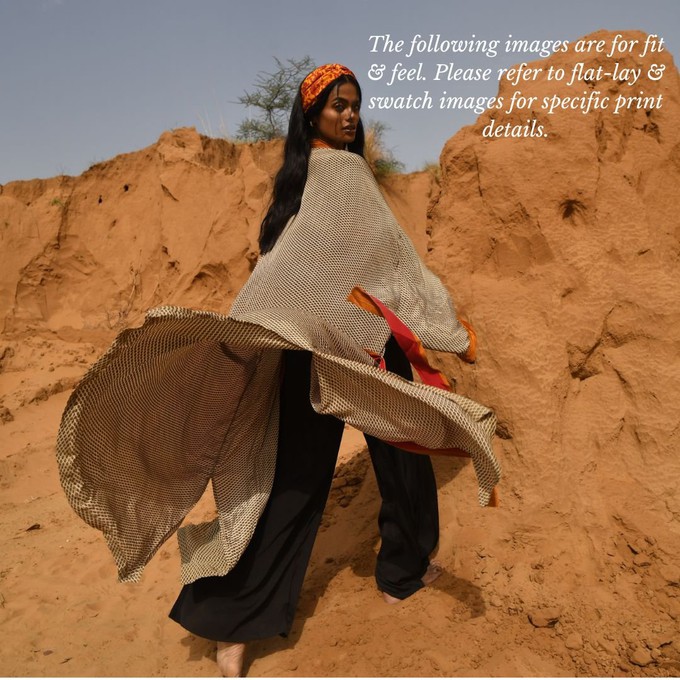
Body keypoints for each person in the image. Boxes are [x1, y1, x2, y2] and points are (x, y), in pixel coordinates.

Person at [56, 64, 500, 678]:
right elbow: (382, 268)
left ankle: (236, 626)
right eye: (338, 106)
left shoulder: (299, 182)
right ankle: (401, 570)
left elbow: (347, 263)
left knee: (292, 482)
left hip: (314, 346)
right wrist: (452, 328)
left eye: (355, 106)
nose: (349, 116)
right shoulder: (335, 175)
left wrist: (272, 328)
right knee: (390, 456)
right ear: (311, 112)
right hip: (348, 346)